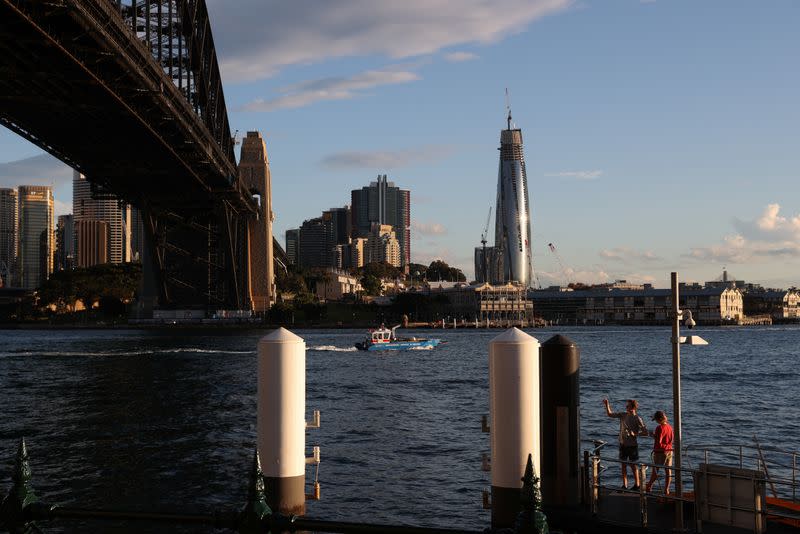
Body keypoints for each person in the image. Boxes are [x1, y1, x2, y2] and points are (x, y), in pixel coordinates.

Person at [603, 398, 648, 489]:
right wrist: (607, 404)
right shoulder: (623, 415)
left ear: (633, 408)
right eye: (626, 406)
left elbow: (645, 433)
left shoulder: (637, 419)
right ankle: (625, 485)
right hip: (623, 444)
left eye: (628, 406)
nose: (626, 407)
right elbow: (610, 414)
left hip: (632, 445)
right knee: (623, 465)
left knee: (633, 465)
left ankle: (637, 484)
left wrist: (635, 434)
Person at [646, 410, 674, 495]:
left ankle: (649, 486)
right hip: (669, 450)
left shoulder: (659, 428)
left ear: (659, 419)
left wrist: (652, 435)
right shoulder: (669, 427)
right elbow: (671, 439)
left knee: (655, 470)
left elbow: (659, 441)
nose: (656, 422)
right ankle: (667, 489)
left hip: (660, 451)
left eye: (656, 420)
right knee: (668, 470)